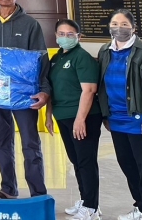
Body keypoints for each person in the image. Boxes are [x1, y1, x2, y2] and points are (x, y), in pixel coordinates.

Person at [0, 0, 49, 199]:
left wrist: (45, 90)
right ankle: (8, 189)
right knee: (2, 141)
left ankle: (38, 194)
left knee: (30, 142)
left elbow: (42, 59)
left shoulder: (30, 24)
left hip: (24, 94)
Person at [96, 9, 142, 220]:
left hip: (141, 121)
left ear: (133, 28)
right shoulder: (105, 51)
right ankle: (141, 205)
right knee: (128, 165)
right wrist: (105, 115)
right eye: (115, 24)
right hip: (116, 120)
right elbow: (101, 86)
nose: (119, 28)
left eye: (124, 24)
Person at [44, 19, 102, 220]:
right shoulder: (56, 58)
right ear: (56, 36)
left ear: (79, 37)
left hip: (84, 117)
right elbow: (51, 88)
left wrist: (80, 119)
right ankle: (85, 200)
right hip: (63, 116)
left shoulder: (82, 58)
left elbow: (89, 90)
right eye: (61, 34)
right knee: (76, 161)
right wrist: (49, 115)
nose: (65, 37)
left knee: (86, 161)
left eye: (70, 34)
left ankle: (92, 207)